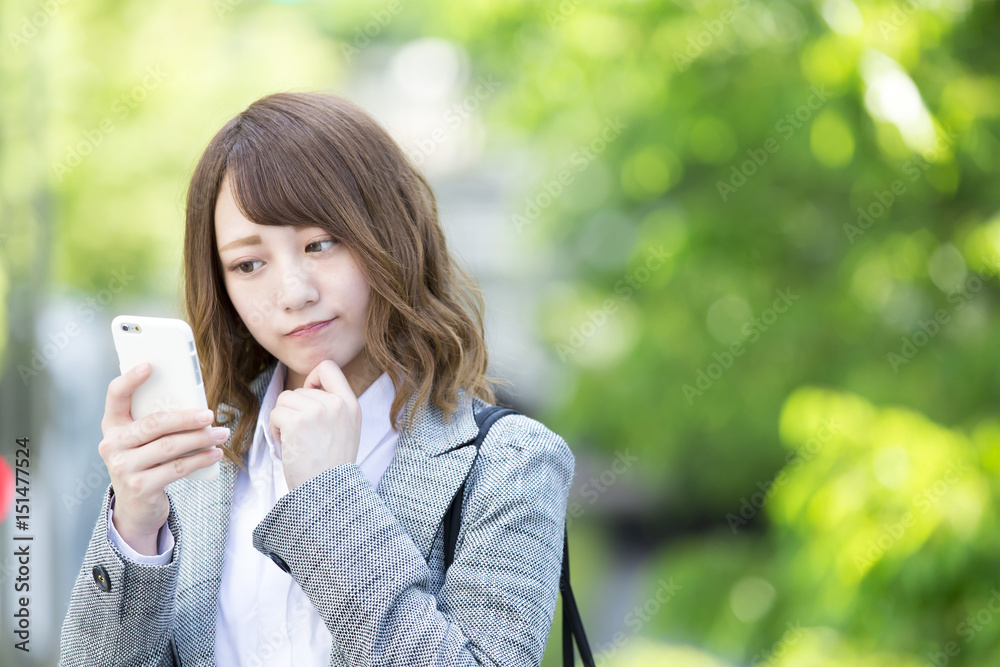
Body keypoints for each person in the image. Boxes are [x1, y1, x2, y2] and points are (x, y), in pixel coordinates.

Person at [58, 92, 576, 666]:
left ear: (391, 236)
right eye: (248, 264)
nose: (293, 293)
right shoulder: (201, 453)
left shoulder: (509, 461)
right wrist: (135, 526)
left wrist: (329, 500)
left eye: (320, 243)